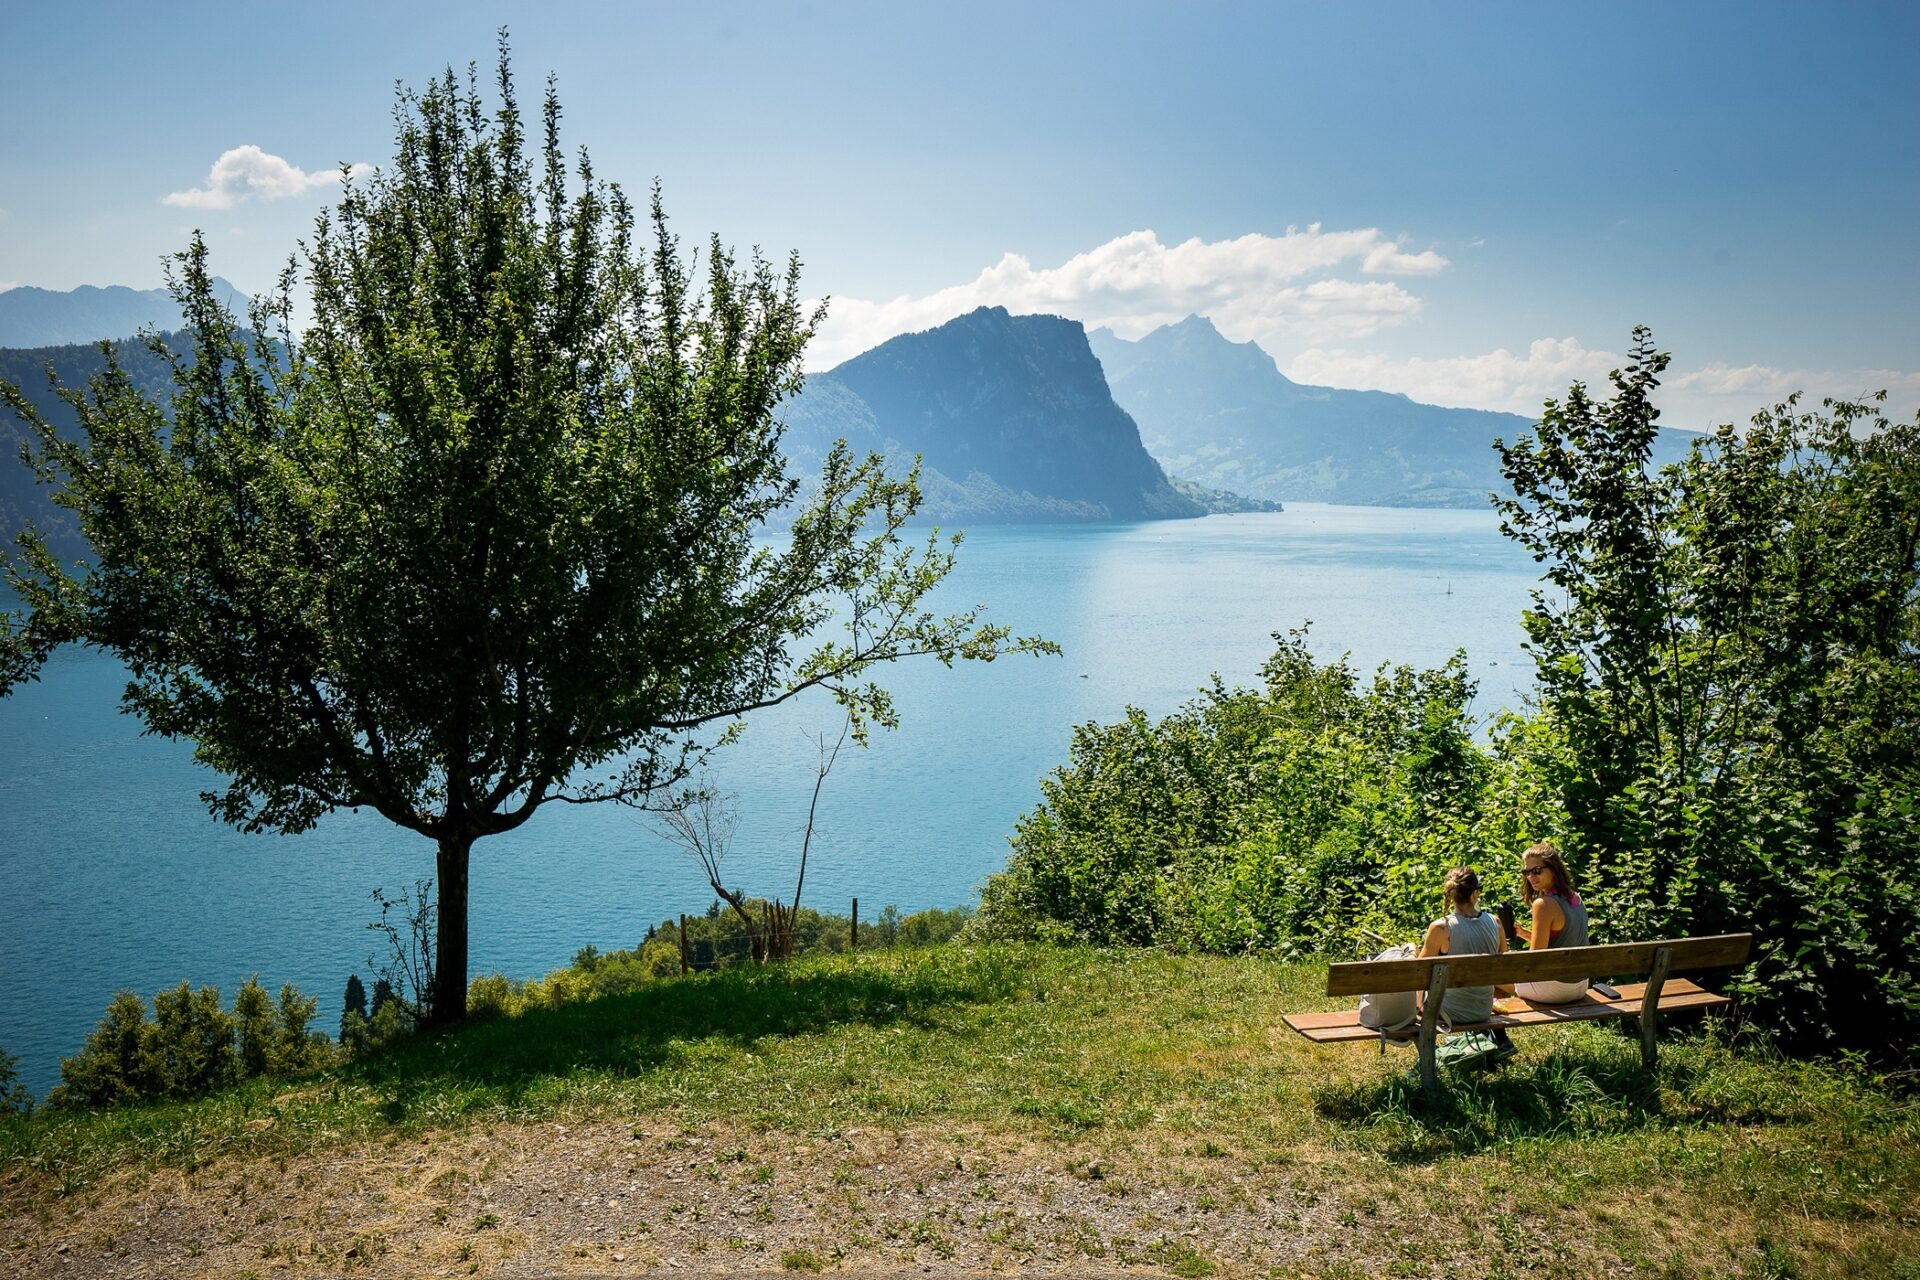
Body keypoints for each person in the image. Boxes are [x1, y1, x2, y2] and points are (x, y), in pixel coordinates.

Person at [1418, 866, 1508, 1031]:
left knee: (1412, 953)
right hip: (1483, 1011)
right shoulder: (1495, 922)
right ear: (1475, 894)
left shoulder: (1441, 928)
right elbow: (1505, 969)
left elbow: (1420, 974)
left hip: (1448, 1013)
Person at [1503, 840, 1592, 1003]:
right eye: (1526, 872)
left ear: (1554, 869)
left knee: (1493, 974)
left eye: (1536, 870)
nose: (1531, 877)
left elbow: (1535, 959)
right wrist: (1523, 933)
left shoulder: (1543, 904)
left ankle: (1493, 1025)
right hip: (1580, 985)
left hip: (1556, 989)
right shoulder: (1575, 897)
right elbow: (1557, 943)